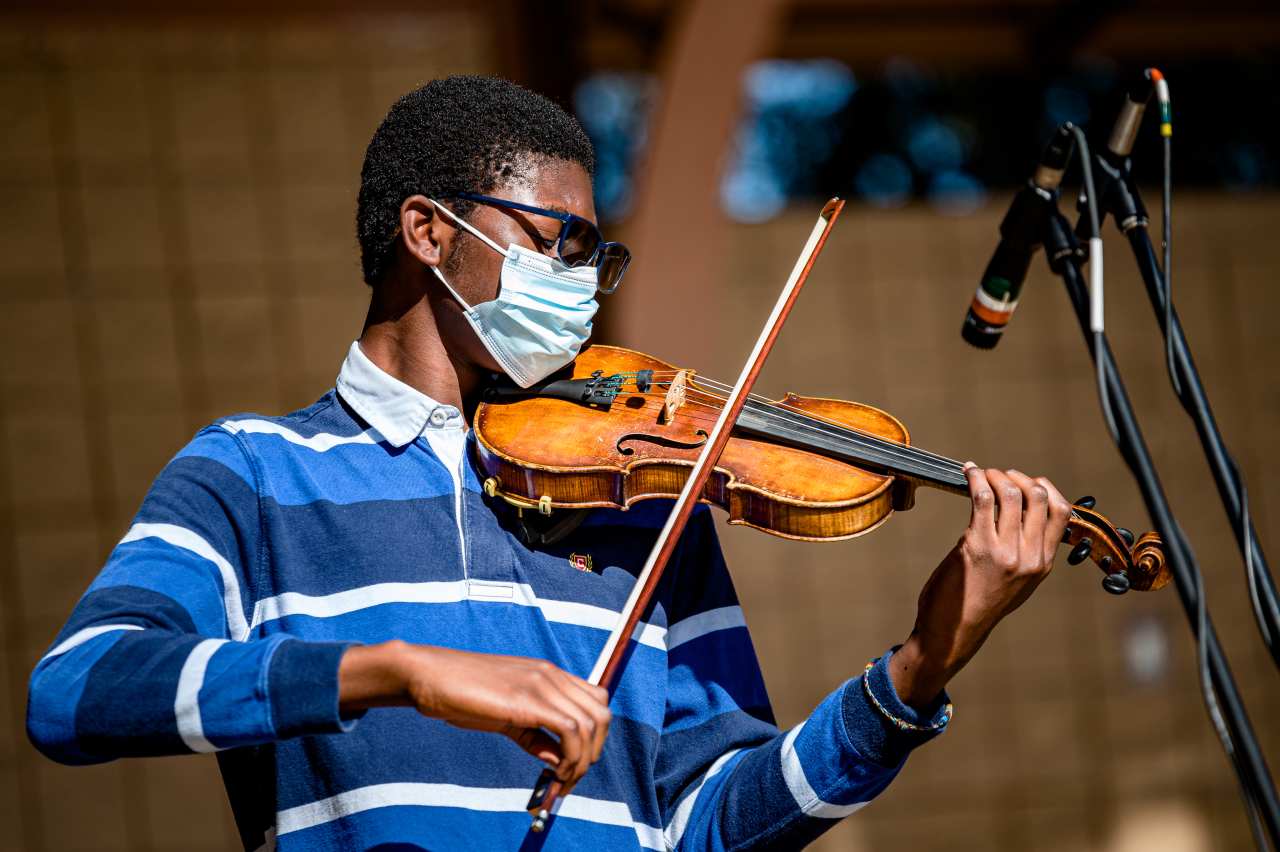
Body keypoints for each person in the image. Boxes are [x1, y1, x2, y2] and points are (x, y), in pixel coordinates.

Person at [28, 75, 1073, 851]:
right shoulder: (255, 475)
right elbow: (74, 693)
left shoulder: (641, 508)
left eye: (593, 254)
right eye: (556, 243)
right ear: (429, 233)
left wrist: (921, 666)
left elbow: (710, 824)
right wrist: (396, 672)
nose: (582, 283)